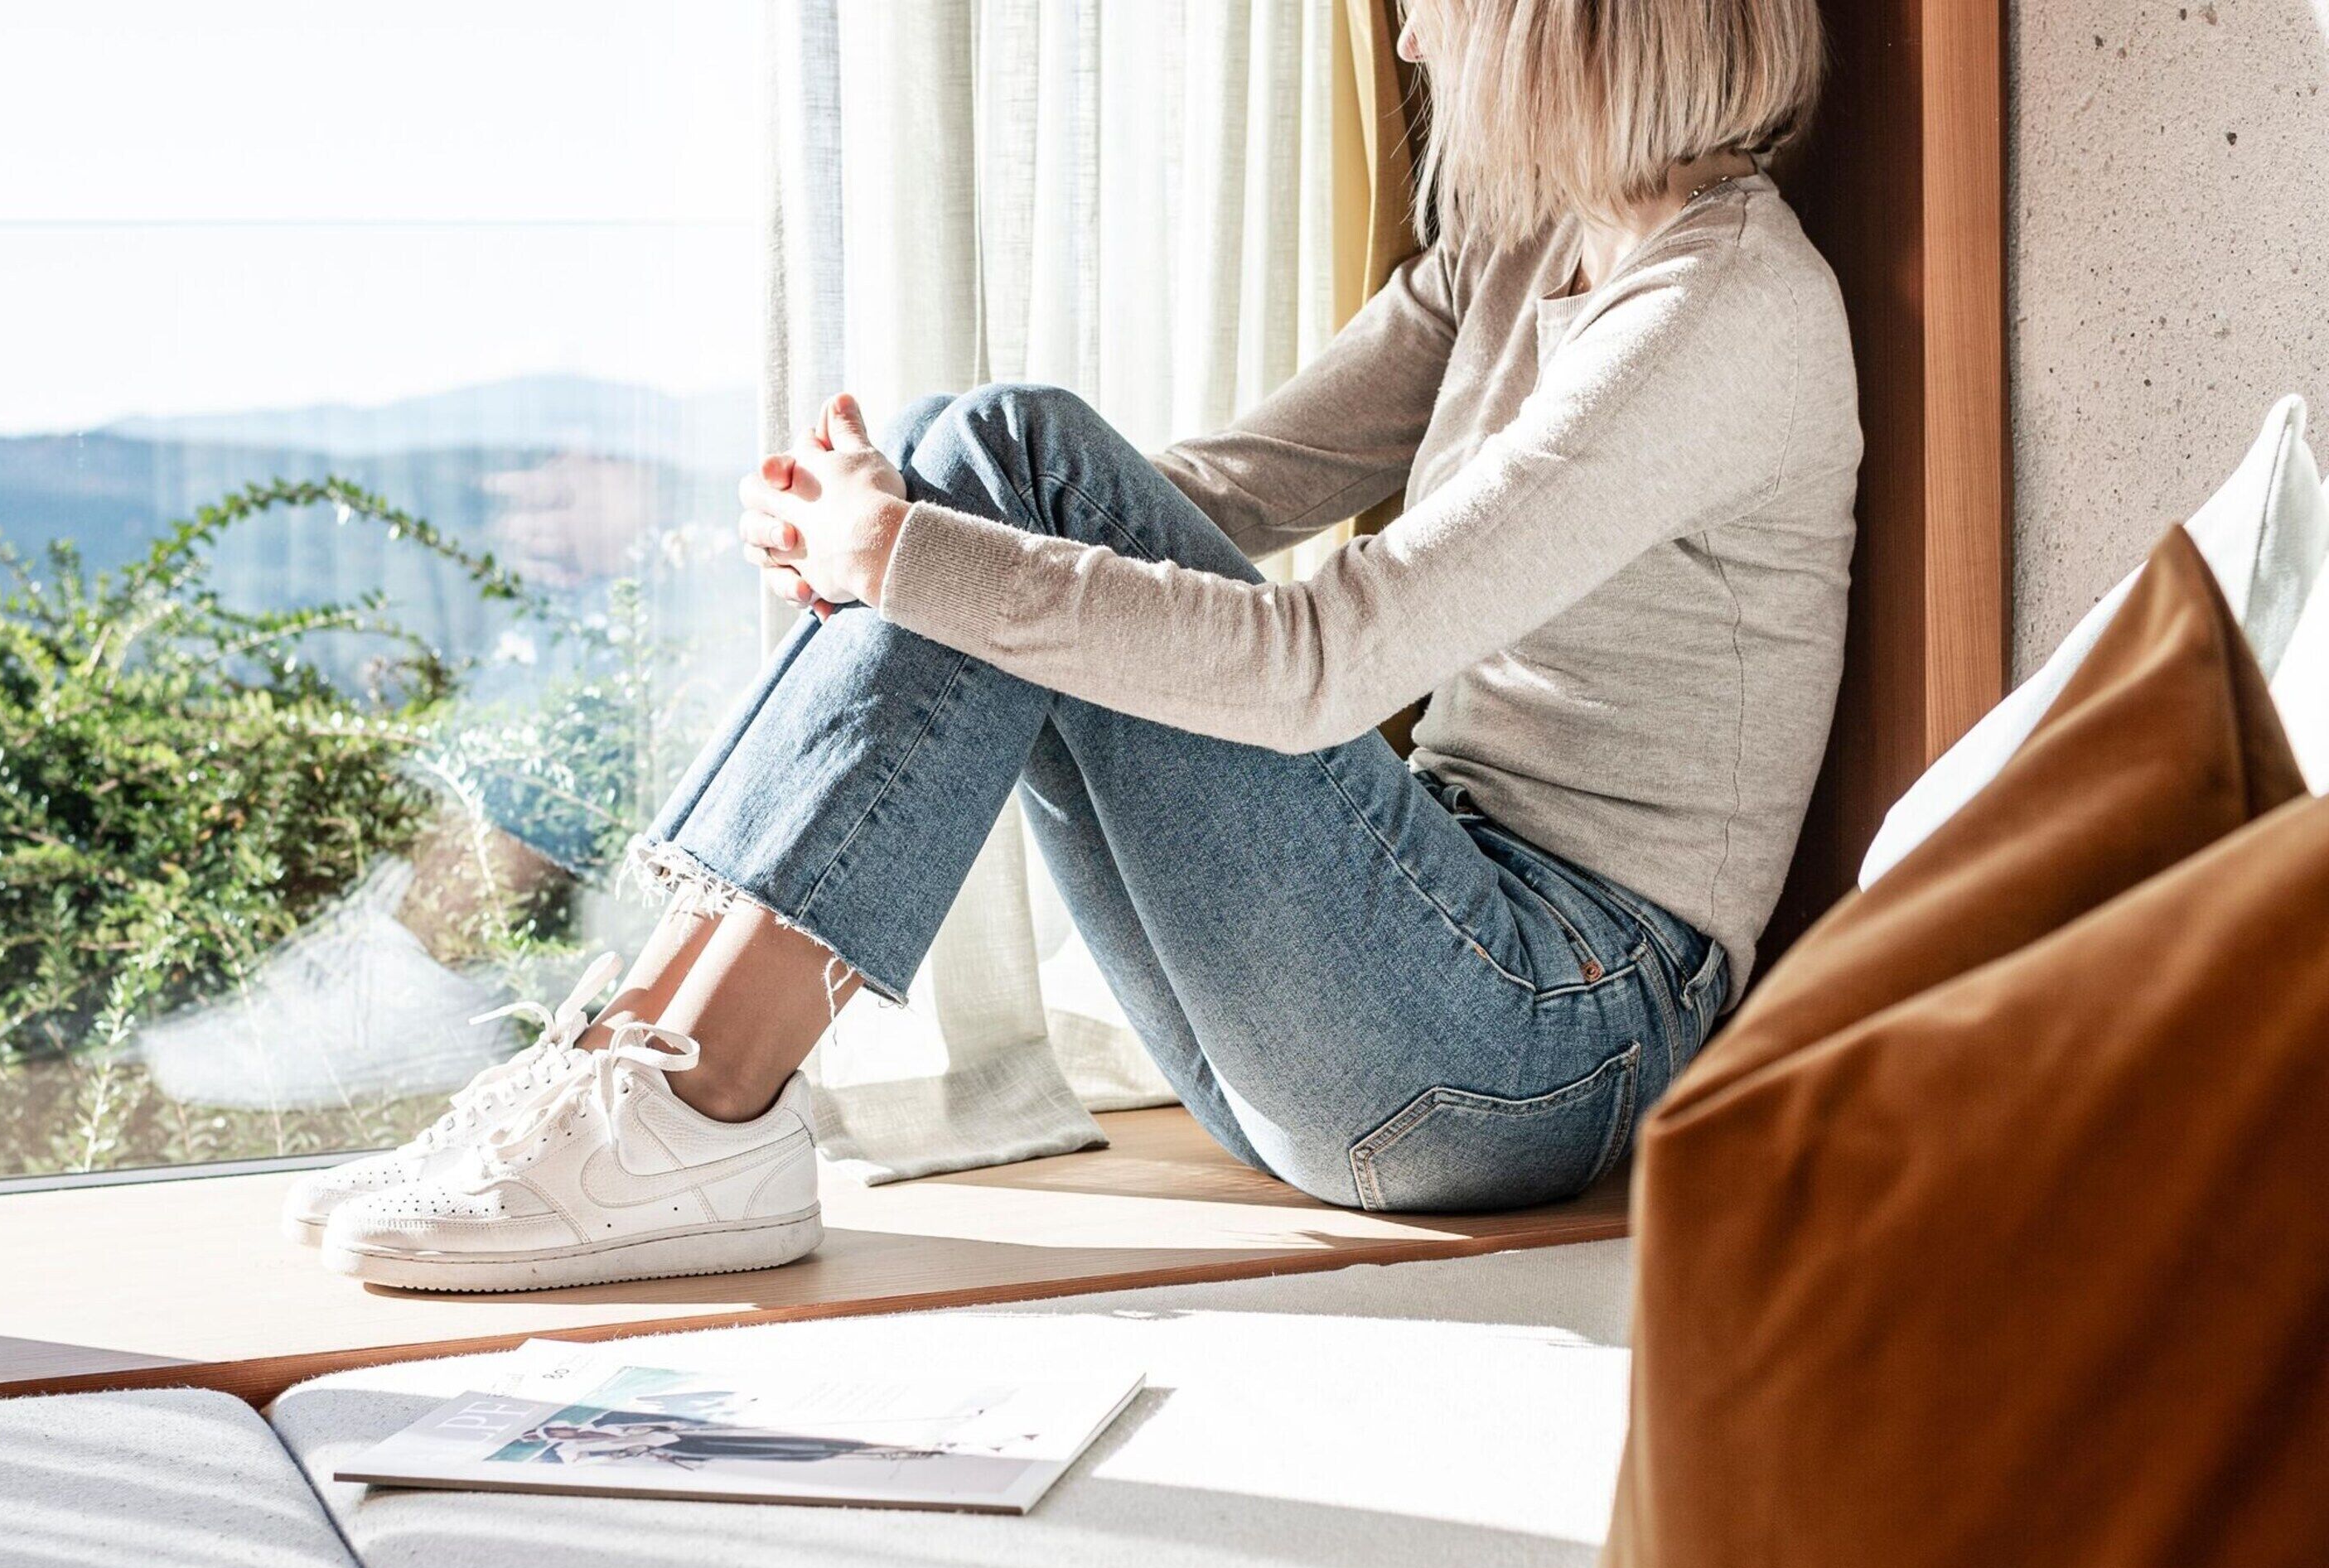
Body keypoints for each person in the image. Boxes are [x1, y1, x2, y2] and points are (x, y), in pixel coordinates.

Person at [296, 0, 1860, 1292]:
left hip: (1548, 1044)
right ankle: (638, 1058)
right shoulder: (1518, 255)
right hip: (1391, 1005)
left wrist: (906, 556)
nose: (1408, 48)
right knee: (978, 464)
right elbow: (1212, 497)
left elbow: (1322, 662)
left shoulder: (1727, 309)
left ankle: (704, 1100)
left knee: (993, 486)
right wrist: (902, 536)